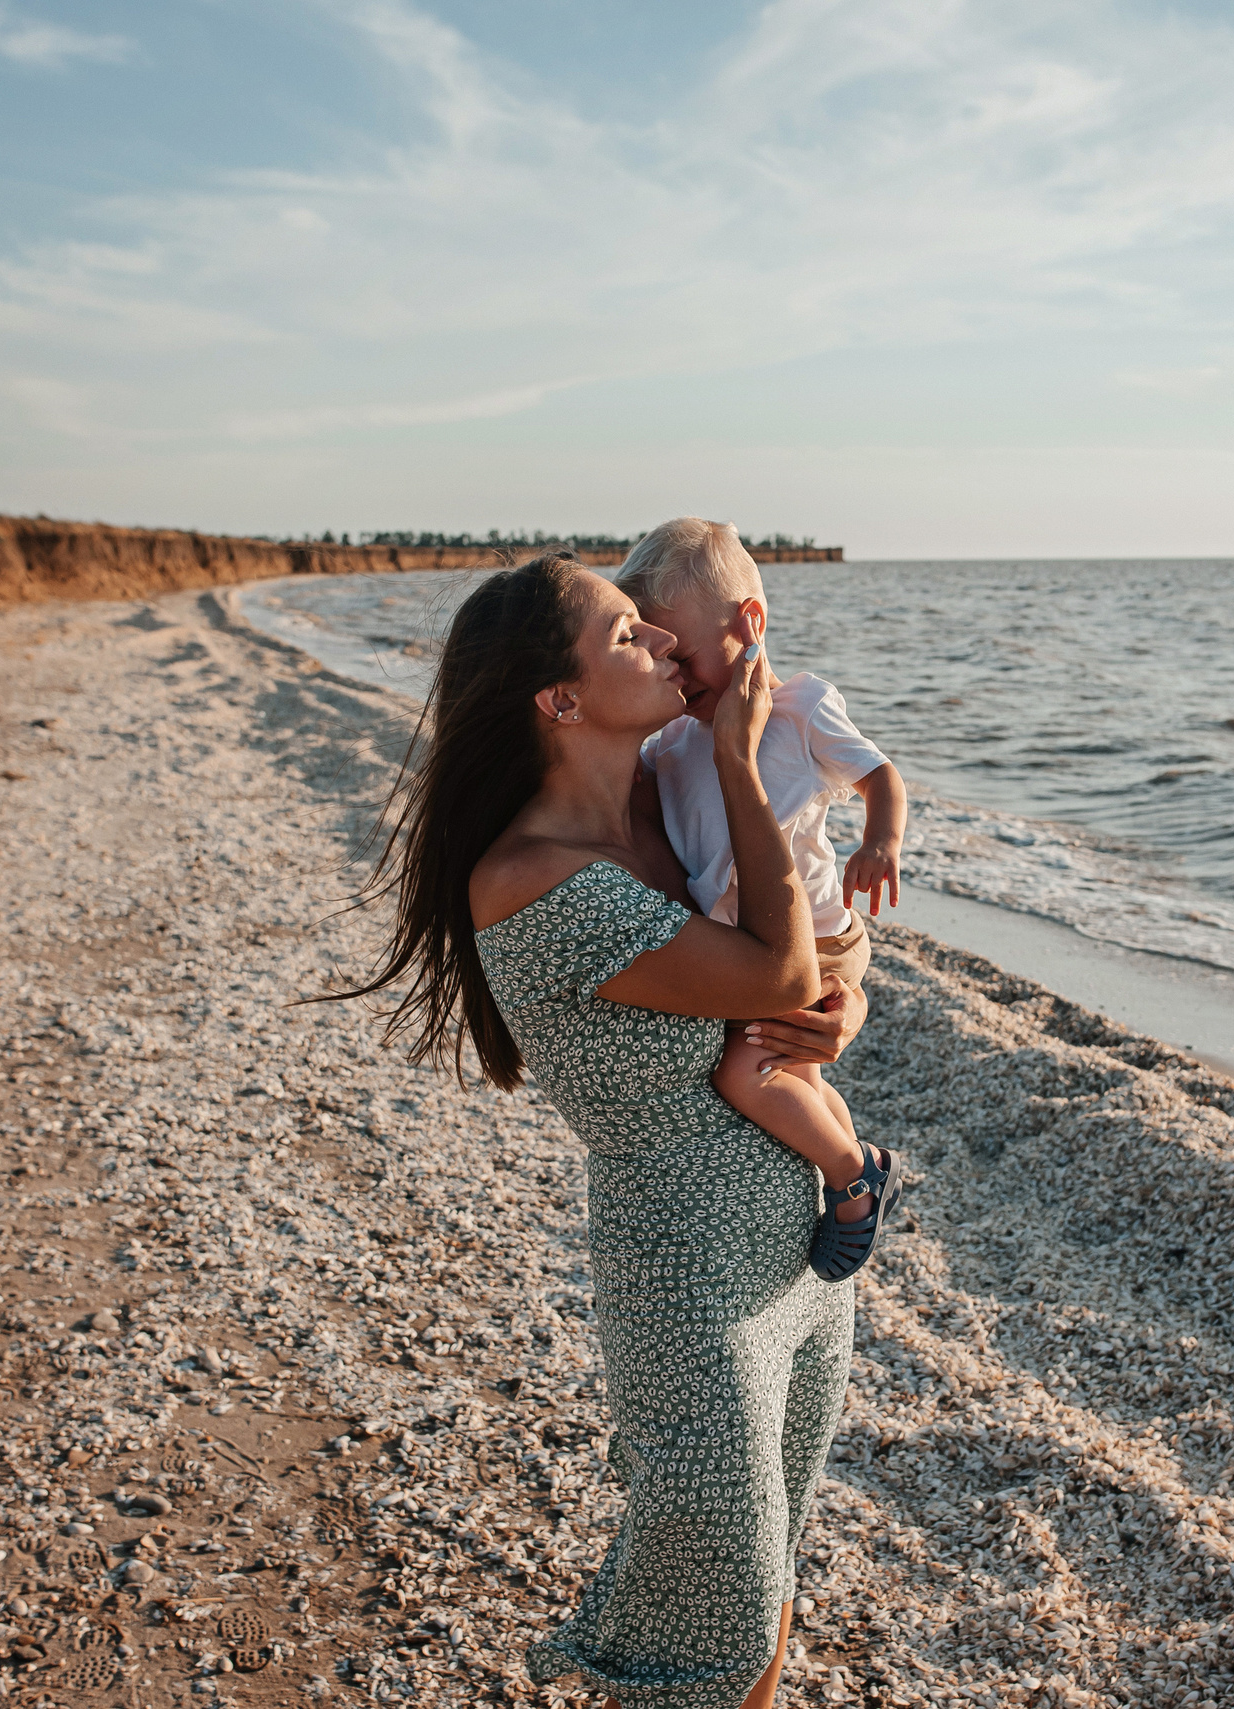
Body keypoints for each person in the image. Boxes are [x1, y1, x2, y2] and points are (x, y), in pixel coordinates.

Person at [324, 551, 867, 1709]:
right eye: (629, 635)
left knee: (767, 1573)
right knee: (702, 1611)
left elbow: (805, 967)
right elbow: (769, 963)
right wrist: (739, 761)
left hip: (802, 1254)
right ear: (558, 701)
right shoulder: (528, 877)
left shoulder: (663, 820)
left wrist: (841, 1006)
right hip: (688, 1278)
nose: (667, 644)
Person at [616, 518, 909, 1281]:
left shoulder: (802, 708)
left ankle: (853, 1174)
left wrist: (880, 839)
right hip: (750, 945)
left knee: (747, 1073)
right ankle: (855, 1161)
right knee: (797, 1073)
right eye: (660, 656)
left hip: (814, 934)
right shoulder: (671, 744)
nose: (676, 674)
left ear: (749, 623)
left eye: (685, 653)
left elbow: (881, 775)